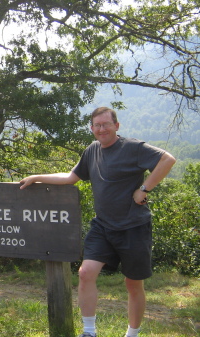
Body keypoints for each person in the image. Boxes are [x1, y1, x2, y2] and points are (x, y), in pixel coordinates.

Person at [20, 107, 176, 337]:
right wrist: (37, 177)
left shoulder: (132, 147)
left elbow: (167, 159)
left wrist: (144, 189)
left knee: (133, 284)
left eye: (106, 124)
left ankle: (132, 334)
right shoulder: (92, 150)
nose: (101, 129)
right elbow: (72, 177)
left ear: (117, 126)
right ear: (92, 128)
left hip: (134, 227)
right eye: (97, 125)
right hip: (103, 226)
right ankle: (89, 332)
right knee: (85, 273)